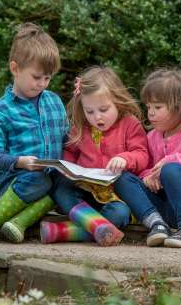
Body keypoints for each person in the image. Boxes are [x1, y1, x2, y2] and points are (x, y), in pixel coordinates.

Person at [0, 23, 68, 243]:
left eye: (48, 78)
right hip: (17, 182)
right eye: (36, 77)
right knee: (39, 179)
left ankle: (18, 223)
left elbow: (66, 140)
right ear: (15, 69)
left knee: (66, 186)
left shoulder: (54, 102)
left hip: (51, 180)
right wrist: (21, 162)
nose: (42, 83)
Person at [40, 66, 149, 246]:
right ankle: (97, 227)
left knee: (120, 214)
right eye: (89, 111)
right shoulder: (82, 126)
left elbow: (142, 155)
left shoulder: (130, 124)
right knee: (60, 189)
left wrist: (125, 158)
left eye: (104, 109)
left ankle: (63, 231)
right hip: (84, 190)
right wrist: (68, 168)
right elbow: (70, 151)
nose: (97, 117)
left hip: (114, 194)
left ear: (118, 102)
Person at [114, 68, 181, 248]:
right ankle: (157, 224)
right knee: (122, 178)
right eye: (148, 107)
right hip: (164, 207)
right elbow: (144, 167)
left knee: (171, 169)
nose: (151, 113)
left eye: (158, 107)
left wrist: (171, 160)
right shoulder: (152, 137)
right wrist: (148, 177)